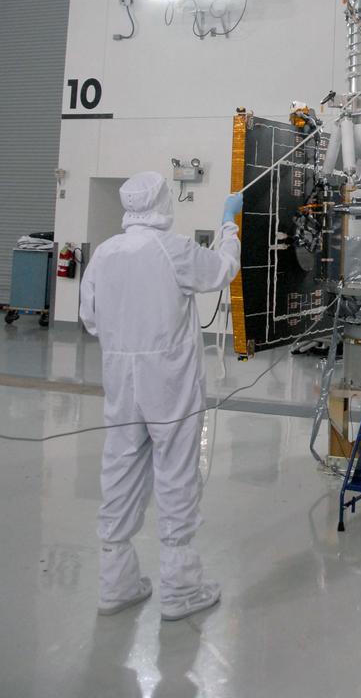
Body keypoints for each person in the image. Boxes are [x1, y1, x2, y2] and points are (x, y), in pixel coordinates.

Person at [79, 172, 242, 620]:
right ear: (162, 203)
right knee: (175, 473)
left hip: (121, 382)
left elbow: (90, 319)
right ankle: (180, 590)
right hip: (169, 382)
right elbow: (223, 270)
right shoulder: (172, 249)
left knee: (121, 468)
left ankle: (116, 583)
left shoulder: (106, 254)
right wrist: (230, 226)